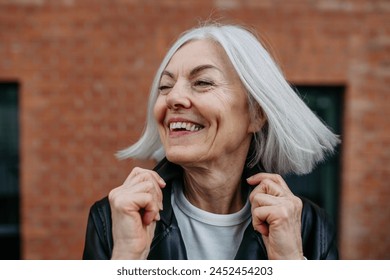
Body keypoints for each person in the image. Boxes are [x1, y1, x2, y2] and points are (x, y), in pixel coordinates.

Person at [82, 23, 340, 260]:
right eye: (165, 86)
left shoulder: (309, 226)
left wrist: (290, 263)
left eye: (202, 82)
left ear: (255, 113)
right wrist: (127, 259)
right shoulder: (112, 218)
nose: (174, 98)